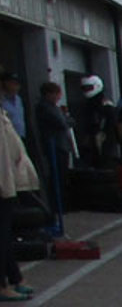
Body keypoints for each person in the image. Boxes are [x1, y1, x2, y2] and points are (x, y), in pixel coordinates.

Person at [0, 110, 38, 300]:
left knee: (5, 234)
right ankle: (3, 285)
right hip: (3, 184)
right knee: (2, 235)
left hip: (8, 182)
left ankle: (16, 278)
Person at [34, 82, 73, 221]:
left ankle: (61, 205)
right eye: (56, 94)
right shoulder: (44, 108)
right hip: (54, 146)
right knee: (56, 177)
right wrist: (66, 119)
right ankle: (56, 207)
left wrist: (66, 119)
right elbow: (62, 122)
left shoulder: (54, 107)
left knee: (62, 177)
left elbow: (68, 120)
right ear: (48, 94)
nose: (58, 97)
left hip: (61, 146)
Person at [80, 76, 118, 167]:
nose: (86, 90)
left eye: (89, 88)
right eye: (84, 88)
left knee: (104, 159)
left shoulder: (105, 104)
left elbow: (111, 122)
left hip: (103, 136)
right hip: (93, 137)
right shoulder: (88, 104)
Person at [0, 71, 24, 138]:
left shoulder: (18, 99)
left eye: (17, 84)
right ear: (6, 83)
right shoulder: (2, 100)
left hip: (20, 134)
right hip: (8, 137)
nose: (17, 86)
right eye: (13, 83)